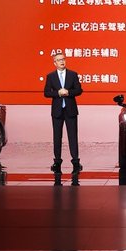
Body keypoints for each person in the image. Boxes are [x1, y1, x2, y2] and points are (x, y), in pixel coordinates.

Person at [44, 51, 83, 184]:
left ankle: (76, 162)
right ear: (54, 63)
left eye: (63, 59)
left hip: (70, 110)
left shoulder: (73, 74)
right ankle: (57, 162)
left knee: (73, 136)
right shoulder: (51, 76)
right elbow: (46, 93)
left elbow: (79, 90)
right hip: (57, 111)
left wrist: (68, 92)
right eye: (59, 60)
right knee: (57, 137)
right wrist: (58, 93)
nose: (62, 61)